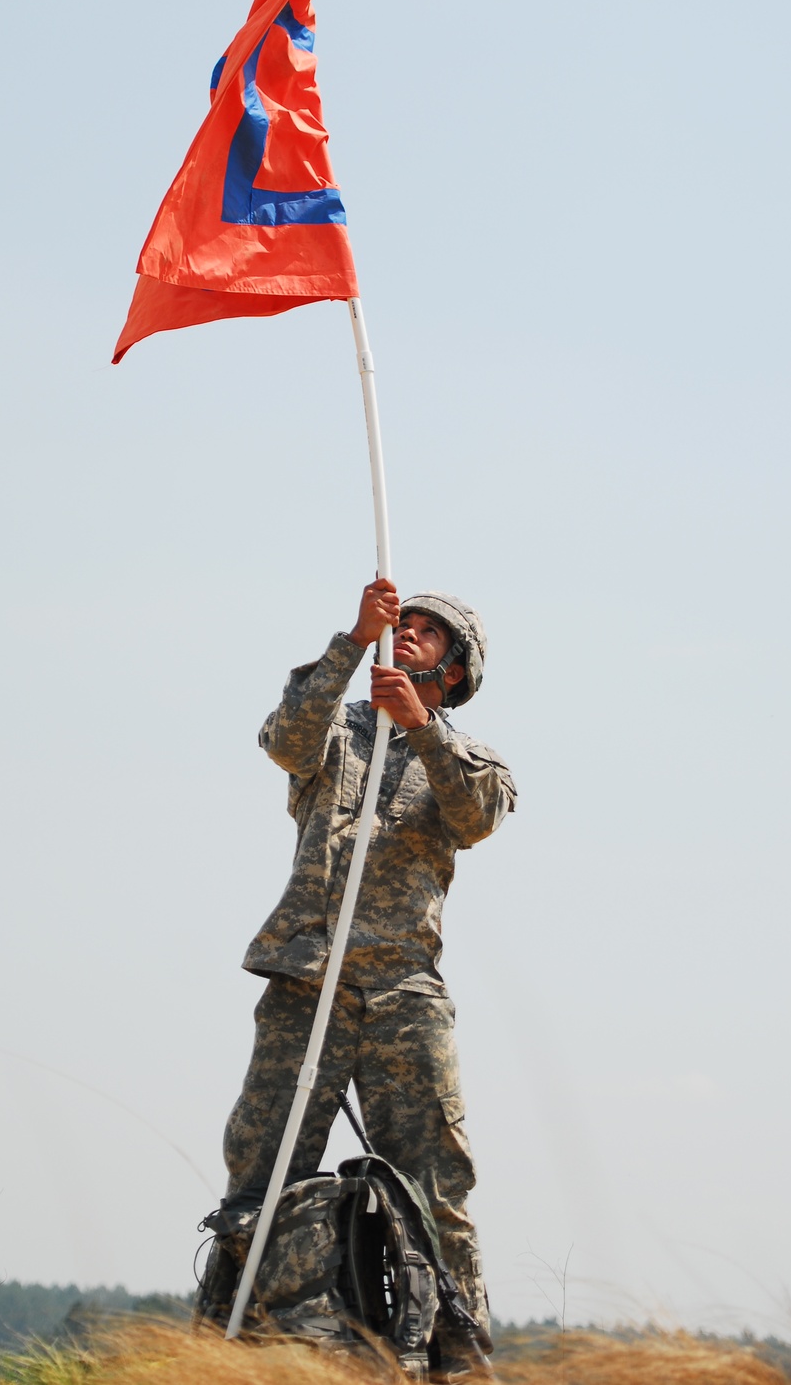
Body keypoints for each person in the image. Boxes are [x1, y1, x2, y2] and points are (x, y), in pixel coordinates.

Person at [220, 578, 516, 1369]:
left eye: (427, 631)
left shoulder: (471, 758)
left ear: (453, 670)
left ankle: (458, 1355)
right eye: (404, 623)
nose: (408, 633)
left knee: (434, 1187)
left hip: (402, 993)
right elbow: (285, 738)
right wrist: (354, 639)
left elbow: (474, 817)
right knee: (262, 1173)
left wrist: (420, 728)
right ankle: (235, 1338)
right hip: (305, 978)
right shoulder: (336, 732)